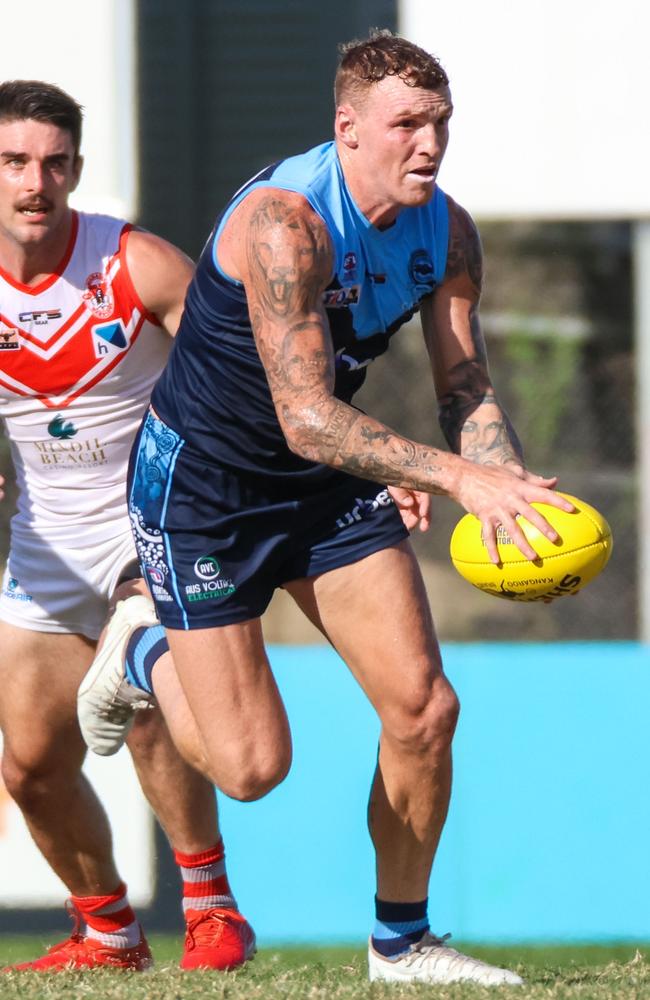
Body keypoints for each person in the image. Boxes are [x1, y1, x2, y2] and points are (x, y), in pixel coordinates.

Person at [79, 32, 573, 985]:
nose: (428, 143)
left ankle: (402, 944)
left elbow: (464, 388)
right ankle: (142, 642)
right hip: (205, 493)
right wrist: (452, 480)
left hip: (318, 487)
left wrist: (506, 492)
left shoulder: (447, 229)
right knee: (253, 770)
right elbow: (305, 417)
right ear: (348, 130)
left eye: (440, 123)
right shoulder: (286, 223)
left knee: (426, 709)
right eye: (405, 125)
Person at [0, 80, 255, 972]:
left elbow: (238, 385)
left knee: (143, 704)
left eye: (54, 162)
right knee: (28, 768)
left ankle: (211, 909)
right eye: (15, 162)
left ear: (76, 167)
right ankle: (107, 931)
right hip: (41, 546)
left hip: (149, 530)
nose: (36, 182)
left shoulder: (135, 263)